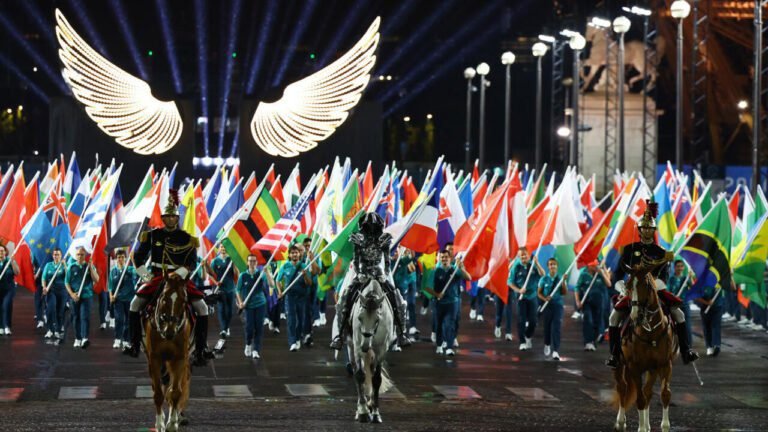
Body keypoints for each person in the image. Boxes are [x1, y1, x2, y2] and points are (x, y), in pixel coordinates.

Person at [122, 192, 213, 366]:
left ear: (177, 218)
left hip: (180, 279)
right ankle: (133, 343)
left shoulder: (187, 238)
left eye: (173, 216)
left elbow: (192, 262)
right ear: (162, 218)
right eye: (167, 216)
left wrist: (181, 273)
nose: (170, 219)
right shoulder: (152, 235)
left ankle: (201, 349)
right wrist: (146, 276)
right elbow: (138, 257)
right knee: (134, 305)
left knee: (202, 308)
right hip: (157, 277)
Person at [605, 201, 699, 368]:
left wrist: (653, 285)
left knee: (679, 315)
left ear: (653, 231)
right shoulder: (628, 250)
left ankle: (686, 351)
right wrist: (622, 287)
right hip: (632, 290)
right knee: (614, 317)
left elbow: (665, 276)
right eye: (644, 228)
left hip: (655, 289)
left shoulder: (661, 252)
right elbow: (619, 273)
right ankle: (615, 355)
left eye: (650, 228)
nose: (647, 231)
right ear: (640, 230)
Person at [330, 212, 411, 350]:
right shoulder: (358, 238)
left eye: (374, 227)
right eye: (369, 226)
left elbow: (386, 260)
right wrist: (360, 273)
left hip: (379, 274)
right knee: (345, 298)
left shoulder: (384, 239)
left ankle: (402, 333)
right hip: (362, 273)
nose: (372, 229)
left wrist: (384, 274)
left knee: (397, 299)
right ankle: (340, 335)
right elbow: (356, 260)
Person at [425, 249, 471, 356]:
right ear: (439, 258)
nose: (444, 259)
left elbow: (469, 277)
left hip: (452, 302)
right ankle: (439, 345)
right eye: (442, 257)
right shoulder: (435, 270)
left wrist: (461, 268)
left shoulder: (455, 270)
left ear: (450, 258)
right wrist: (436, 295)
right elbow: (426, 287)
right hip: (439, 303)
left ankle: (450, 347)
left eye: (446, 257)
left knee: (450, 324)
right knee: (439, 325)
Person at [277, 245, 312, 352]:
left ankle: (297, 338)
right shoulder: (285, 266)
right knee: (291, 320)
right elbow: (278, 280)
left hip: (301, 297)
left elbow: (309, 283)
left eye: (296, 253)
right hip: (290, 297)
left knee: (300, 320)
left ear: (299, 254)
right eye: (292, 253)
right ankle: (292, 342)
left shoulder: (304, 266)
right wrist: (280, 292)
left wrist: (305, 275)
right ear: (289, 255)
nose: (294, 255)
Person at [236, 254, 271, 359]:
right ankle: (248, 344)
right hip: (249, 305)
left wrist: (267, 273)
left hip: (260, 304)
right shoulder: (243, 276)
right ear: (247, 262)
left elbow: (272, 284)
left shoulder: (261, 274)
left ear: (257, 263)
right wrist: (240, 302)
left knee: (259, 328)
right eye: (250, 261)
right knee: (250, 327)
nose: (252, 263)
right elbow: (237, 290)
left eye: (254, 261)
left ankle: (256, 350)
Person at [508, 248, 544, 351]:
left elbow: (543, 274)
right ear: (519, 257)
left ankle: (528, 336)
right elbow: (510, 282)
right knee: (521, 320)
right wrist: (519, 290)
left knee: (533, 321)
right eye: (521, 256)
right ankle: (522, 341)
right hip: (521, 298)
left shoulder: (533, 265)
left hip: (532, 296)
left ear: (529, 256)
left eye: (525, 255)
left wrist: (537, 263)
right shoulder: (516, 266)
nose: (524, 257)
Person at [65, 247, 100, 349]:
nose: (80, 256)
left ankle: (85, 338)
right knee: (76, 317)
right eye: (78, 254)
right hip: (74, 297)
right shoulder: (71, 267)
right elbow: (66, 283)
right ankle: (77, 338)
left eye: (82, 255)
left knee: (84, 316)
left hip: (86, 296)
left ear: (85, 256)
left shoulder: (89, 266)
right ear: (75, 256)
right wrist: (71, 294)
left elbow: (97, 279)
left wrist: (90, 267)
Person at [575, 261, 610, 351]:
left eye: (596, 265)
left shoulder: (599, 274)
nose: (595, 267)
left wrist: (601, 273)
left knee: (597, 323)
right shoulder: (583, 275)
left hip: (599, 303)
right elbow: (577, 288)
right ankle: (587, 342)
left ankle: (593, 342)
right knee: (588, 321)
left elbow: (609, 284)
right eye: (593, 265)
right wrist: (578, 301)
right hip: (587, 302)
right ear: (588, 266)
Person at [538, 257, 567, 360]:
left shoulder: (560, 278)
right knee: (547, 327)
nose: (552, 266)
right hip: (547, 306)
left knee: (556, 327)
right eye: (550, 264)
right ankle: (547, 344)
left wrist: (563, 282)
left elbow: (564, 293)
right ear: (548, 266)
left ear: (557, 266)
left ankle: (556, 350)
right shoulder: (543, 279)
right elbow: (539, 293)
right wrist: (545, 299)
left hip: (558, 305)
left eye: (554, 264)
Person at [207, 244, 236, 339]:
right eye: (222, 247)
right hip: (220, 289)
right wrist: (216, 282)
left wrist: (234, 264)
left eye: (225, 247)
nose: (223, 249)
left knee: (230, 311)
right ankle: (224, 329)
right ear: (219, 248)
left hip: (231, 288)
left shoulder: (231, 260)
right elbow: (210, 273)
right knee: (221, 309)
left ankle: (227, 327)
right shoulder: (215, 261)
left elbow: (236, 274)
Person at [109, 249, 137, 350]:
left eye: (122, 257)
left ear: (125, 258)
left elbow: (139, 273)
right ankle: (117, 339)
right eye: (118, 257)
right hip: (118, 299)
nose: (120, 259)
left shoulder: (130, 270)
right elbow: (110, 286)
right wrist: (111, 296)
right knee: (119, 319)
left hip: (129, 299)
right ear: (116, 259)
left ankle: (126, 340)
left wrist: (133, 261)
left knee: (128, 321)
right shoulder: (113, 271)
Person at [42, 248, 67, 340]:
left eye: (58, 254)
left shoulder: (64, 265)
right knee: (50, 309)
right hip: (51, 290)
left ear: (61, 256)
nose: (56, 256)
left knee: (60, 311)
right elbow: (43, 278)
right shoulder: (48, 265)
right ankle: (49, 330)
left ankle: (58, 329)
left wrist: (64, 265)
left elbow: (68, 277)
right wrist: (44, 287)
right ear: (52, 256)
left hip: (62, 290)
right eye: (55, 254)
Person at [696, 282, 727, 357]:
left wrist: (731, 276)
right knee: (707, 327)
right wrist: (706, 302)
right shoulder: (702, 281)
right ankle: (709, 346)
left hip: (718, 308)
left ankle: (716, 345)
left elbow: (733, 288)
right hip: (705, 308)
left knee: (716, 326)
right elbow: (696, 296)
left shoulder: (721, 281)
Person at [667, 260, 692, 347]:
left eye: (681, 266)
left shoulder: (686, 279)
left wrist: (690, 278)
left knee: (687, 327)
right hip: (674, 306)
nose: (680, 268)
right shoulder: (671, 279)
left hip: (685, 305)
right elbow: (668, 291)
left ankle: (688, 347)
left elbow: (693, 289)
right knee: (671, 326)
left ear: (683, 268)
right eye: (678, 266)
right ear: (674, 268)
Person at [392, 247, 417, 336]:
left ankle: (402, 334)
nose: (394, 253)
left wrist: (411, 246)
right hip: (389, 291)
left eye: (396, 252)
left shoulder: (402, 261)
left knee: (402, 311)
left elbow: (412, 257)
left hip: (402, 291)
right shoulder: (386, 263)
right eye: (393, 252)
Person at [0, 245, 20, 336]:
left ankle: (7, 326)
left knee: (6, 305)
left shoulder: (9, 261)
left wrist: (13, 261)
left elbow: (17, 272)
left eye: (2, 251)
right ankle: (1, 326)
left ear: (5, 252)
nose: (1, 253)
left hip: (9, 288)